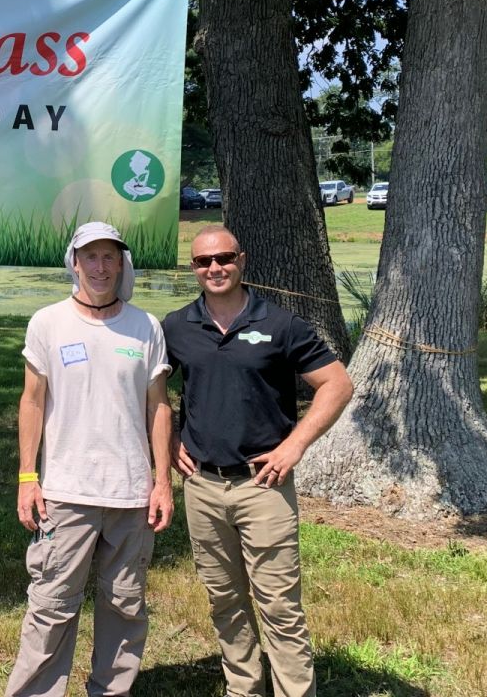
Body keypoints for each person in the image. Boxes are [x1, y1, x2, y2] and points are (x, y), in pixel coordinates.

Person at [163, 225, 354, 697]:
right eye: (203, 262)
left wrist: (295, 445)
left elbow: (337, 385)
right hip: (203, 486)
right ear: (193, 268)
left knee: (279, 606)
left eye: (224, 258)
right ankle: (243, 689)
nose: (215, 268)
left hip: (262, 485)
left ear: (242, 260)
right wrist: (168, 440)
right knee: (224, 601)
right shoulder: (176, 326)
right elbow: (152, 392)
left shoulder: (280, 324)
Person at [5, 221, 174, 697]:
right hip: (64, 493)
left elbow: (158, 406)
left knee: (125, 605)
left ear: (122, 263)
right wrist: (27, 476)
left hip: (130, 494)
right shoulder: (48, 322)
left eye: (110, 257)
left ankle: (111, 690)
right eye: (90, 257)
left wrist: (162, 482)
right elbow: (32, 402)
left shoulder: (145, 327)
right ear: (73, 262)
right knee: (52, 604)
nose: (100, 267)